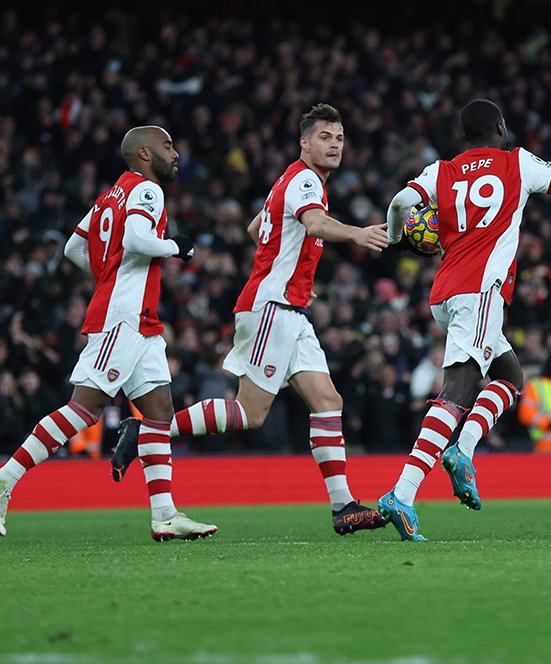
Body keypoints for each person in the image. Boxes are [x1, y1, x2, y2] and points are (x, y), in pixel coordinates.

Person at [111, 104, 391, 536]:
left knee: (327, 401)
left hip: (291, 307)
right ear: (305, 142)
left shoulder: (293, 180)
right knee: (251, 413)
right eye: (324, 137)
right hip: (271, 308)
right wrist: (355, 233)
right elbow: (312, 223)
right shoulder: (303, 179)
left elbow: (256, 225)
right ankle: (150, 429)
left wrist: (294, 266)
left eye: (339, 137)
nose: (334, 145)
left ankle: (343, 507)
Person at [377, 98, 551, 540]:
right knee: (458, 391)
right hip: (480, 293)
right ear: (500, 127)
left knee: (509, 376)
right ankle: (402, 495)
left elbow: (400, 202)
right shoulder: (516, 163)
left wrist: (395, 237)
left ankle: (462, 451)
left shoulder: (439, 170)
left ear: (465, 135)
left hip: (445, 294)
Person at [0, 126, 216, 541]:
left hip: (139, 320)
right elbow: (137, 239)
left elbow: (73, 249)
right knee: (84, 409)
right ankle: (6, 479)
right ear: (144, 154)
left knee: (157, 414)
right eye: (168, 146)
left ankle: (165, 515)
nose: (175, 153)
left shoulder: (109, 195)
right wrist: (176, 247)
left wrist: (108, 276)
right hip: (124, 318)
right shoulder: (148, 190)